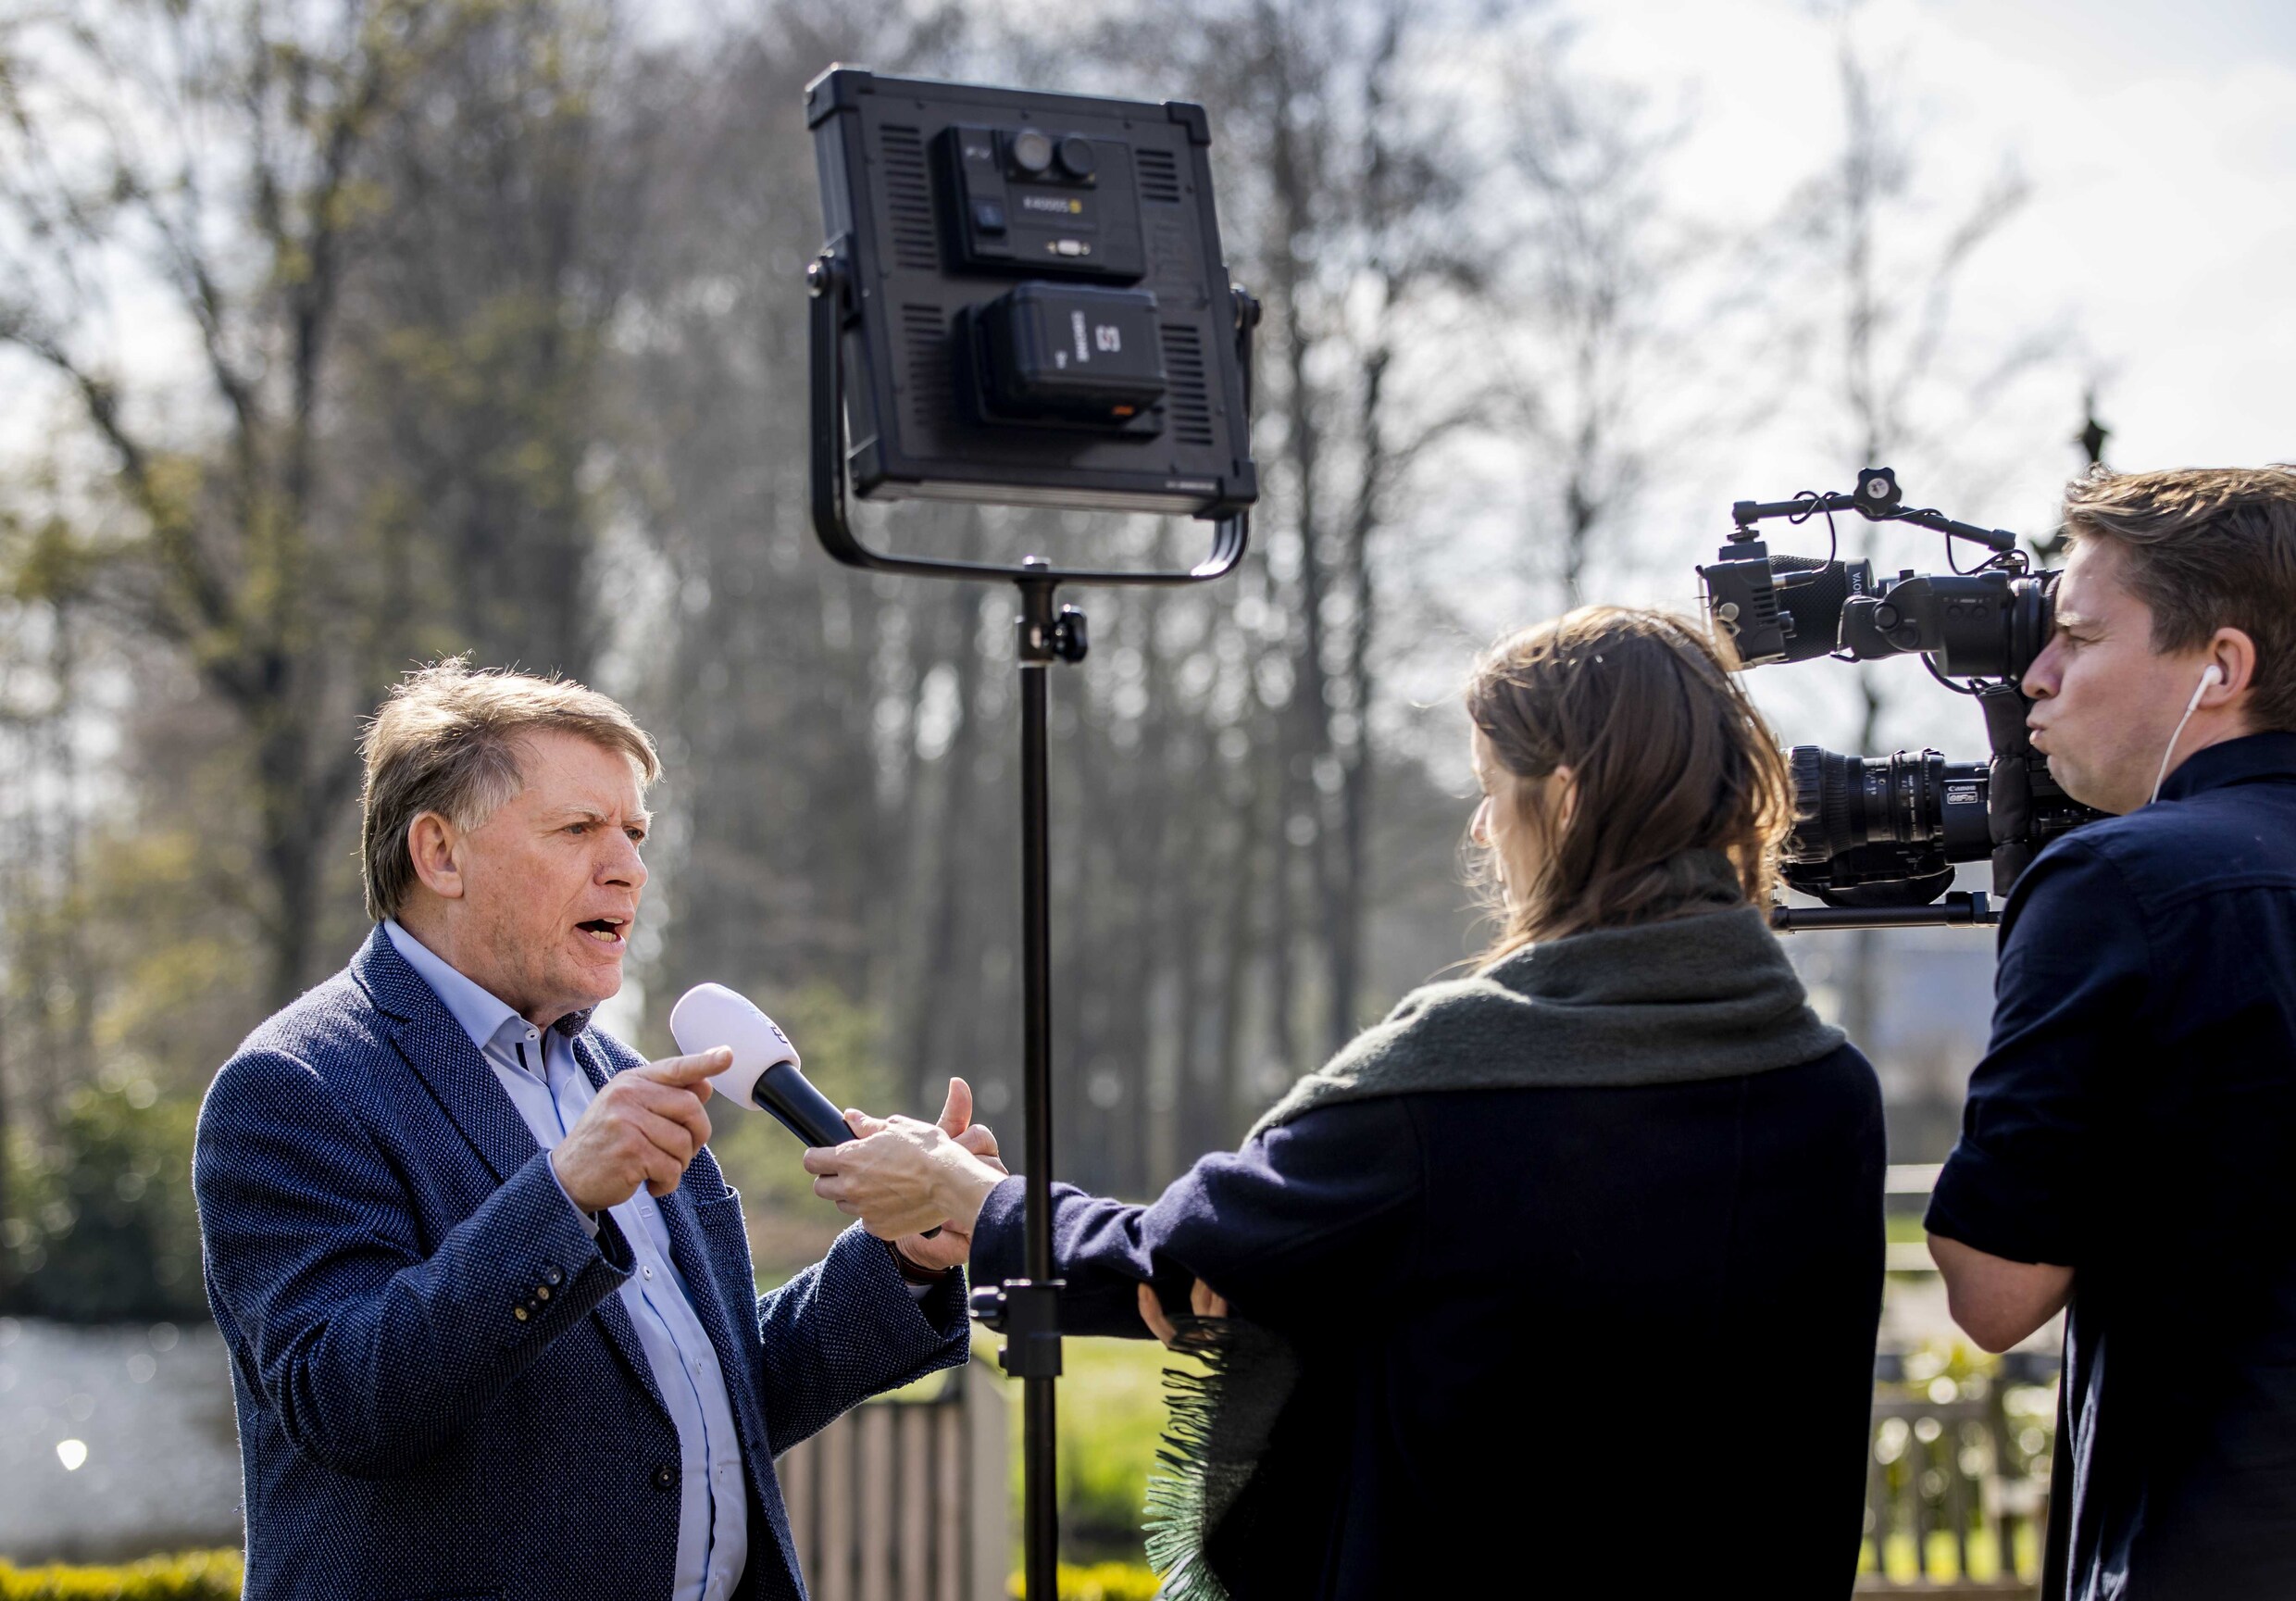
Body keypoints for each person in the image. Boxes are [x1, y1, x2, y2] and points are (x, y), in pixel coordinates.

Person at [811, 607, 1887, 1599]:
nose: (1478, 829)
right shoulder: (1827, 1095)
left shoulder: (1456, 1083)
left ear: (1560, 802)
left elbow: (1188, 1260)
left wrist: (967, 1189)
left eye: (1487, 785)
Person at [192, 661, 993, 1601]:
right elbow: (347, 1401)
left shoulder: (615, 1077)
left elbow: (708, 1398)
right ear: (439, 855)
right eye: (578, 829)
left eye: (635, 832)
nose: (628, 866)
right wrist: (561, 1198)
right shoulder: (295, 1086)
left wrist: (901, 1260)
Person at [1922, 466, 2296, 1597]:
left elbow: (1994, 1292)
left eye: (2077, 638)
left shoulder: (2116, 883)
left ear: (2219, 667)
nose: (2035, 675)